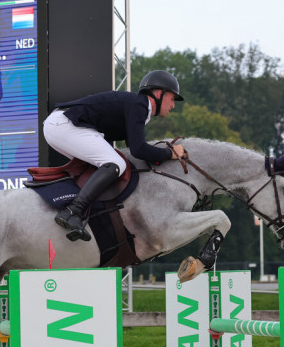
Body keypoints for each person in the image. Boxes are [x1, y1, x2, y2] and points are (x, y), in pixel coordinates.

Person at [43, 70, 185, 241]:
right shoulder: (139, 105)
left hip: (61, 125)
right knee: (115, 163)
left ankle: (79, 212)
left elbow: (133, 148)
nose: (173, 105)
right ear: (159, 93)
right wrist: (170, 153)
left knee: (110, 164)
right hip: (64, 124)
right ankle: (73, 210)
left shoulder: (138, 107)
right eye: (172, 98)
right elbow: (139, 150)